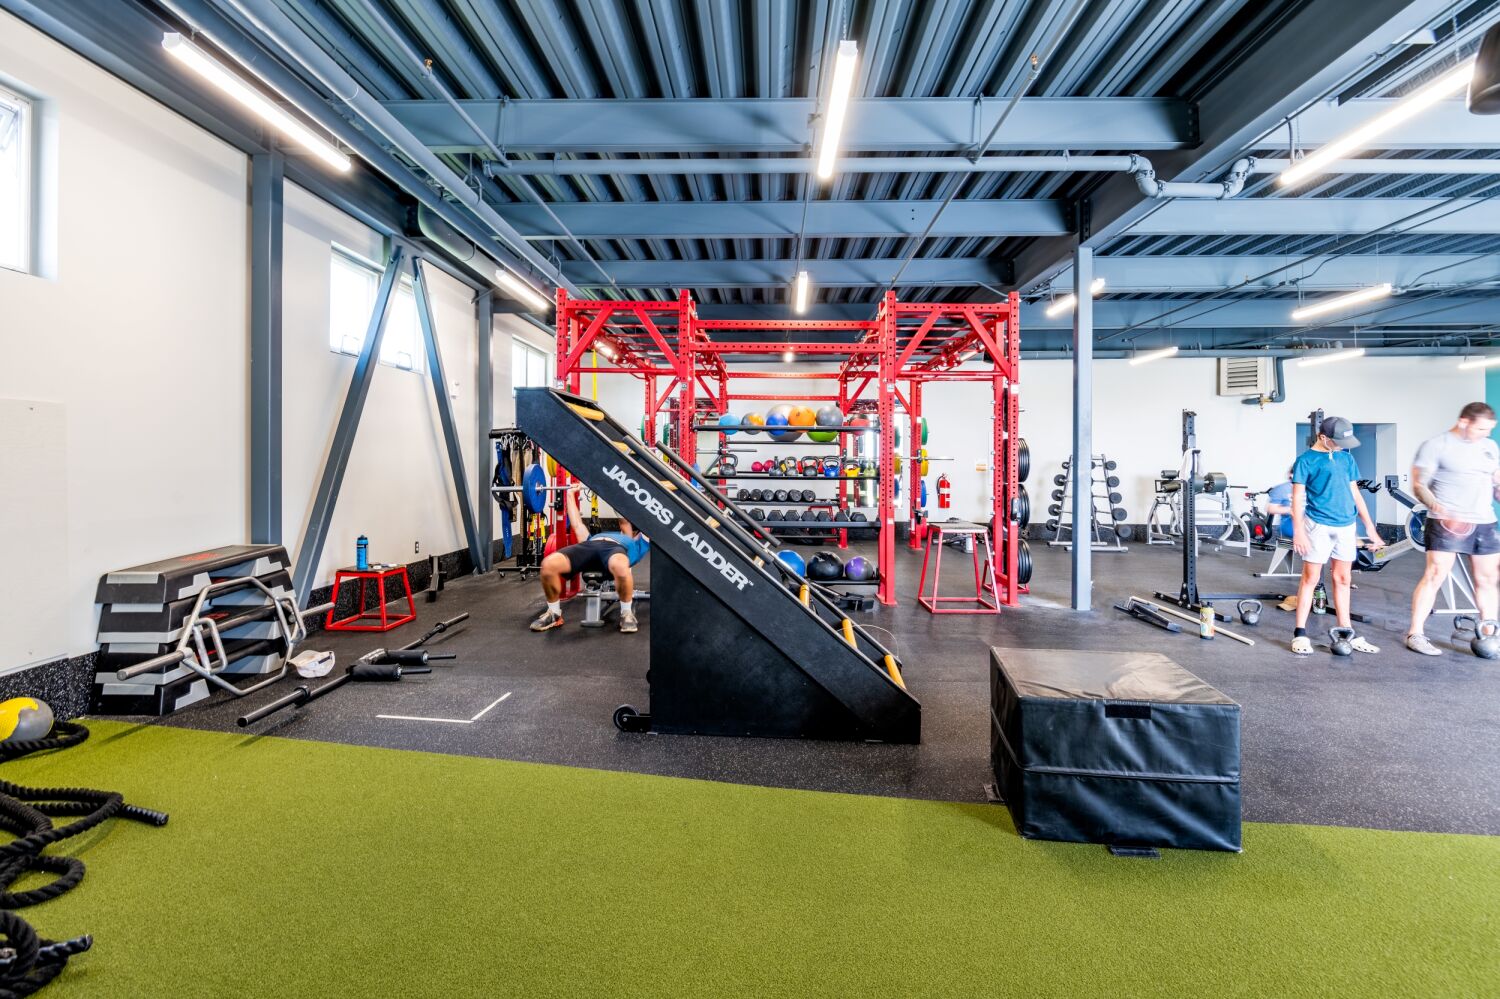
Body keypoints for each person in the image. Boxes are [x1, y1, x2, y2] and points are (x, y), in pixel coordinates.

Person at [1405, 402, 1500, 656]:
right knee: (1436, 575)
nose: (1485, 434)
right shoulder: (1437, 445)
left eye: (1489, 430)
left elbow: (1496, 481)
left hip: (1484, 521)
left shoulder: (1489, 447)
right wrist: (1438, 507)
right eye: (1481, 429)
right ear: (1464, 422)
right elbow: (1419, 485)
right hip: (1446, 522)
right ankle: (1416, 633)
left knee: (1488, 580)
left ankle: (1490, 635)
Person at [1290, 416, 1385, 655]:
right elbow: (1297, 499)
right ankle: (1300, 634)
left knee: (1342, 579)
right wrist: (1299, 532)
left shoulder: (1346, 458)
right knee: (1310, 578)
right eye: (1339, 441)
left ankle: (1346, 631)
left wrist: (1370, 529)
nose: (1343, 446)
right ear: (1323, 438)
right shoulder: (1305, 461)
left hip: (1346, 526)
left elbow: (1356, 495)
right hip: (1317, 525)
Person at [530, 484, 649, 634]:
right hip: (589, 546)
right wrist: (570, 494)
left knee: (620, 566)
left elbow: (638, 521)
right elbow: (577, 524)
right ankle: (554, 613)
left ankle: (626, 613)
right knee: (548, 565)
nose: (625, 526)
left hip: (616, 551)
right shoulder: (593, 537)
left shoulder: (636, 544)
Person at [1265, 469, 1299, 612]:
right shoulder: (1282, 489)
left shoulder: (1311, 487)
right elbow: (1270, 507)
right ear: (1291, 475)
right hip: (1291, 528)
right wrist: (1291, 510)